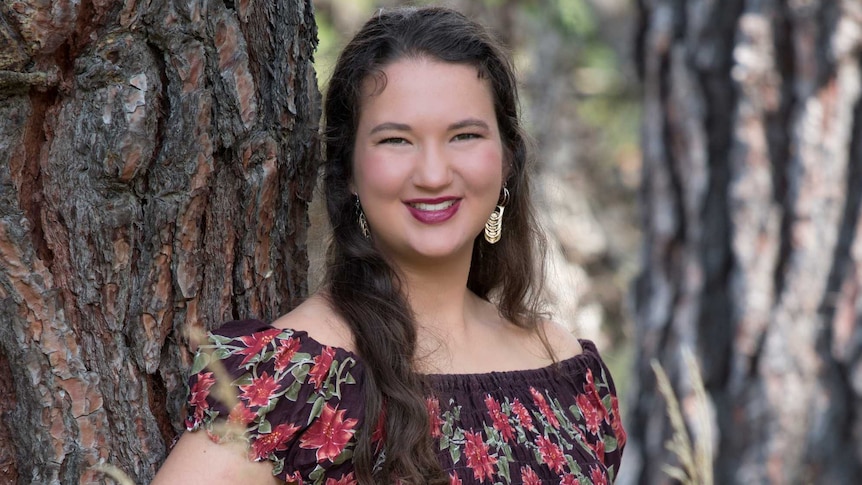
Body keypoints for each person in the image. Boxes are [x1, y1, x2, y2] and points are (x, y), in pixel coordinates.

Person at [153, 6, 626, 485]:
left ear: (507, 159)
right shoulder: (296, 382)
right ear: (349, 170)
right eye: (397, 141)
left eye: (464, 135)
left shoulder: (563, 368)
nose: (434, 175)